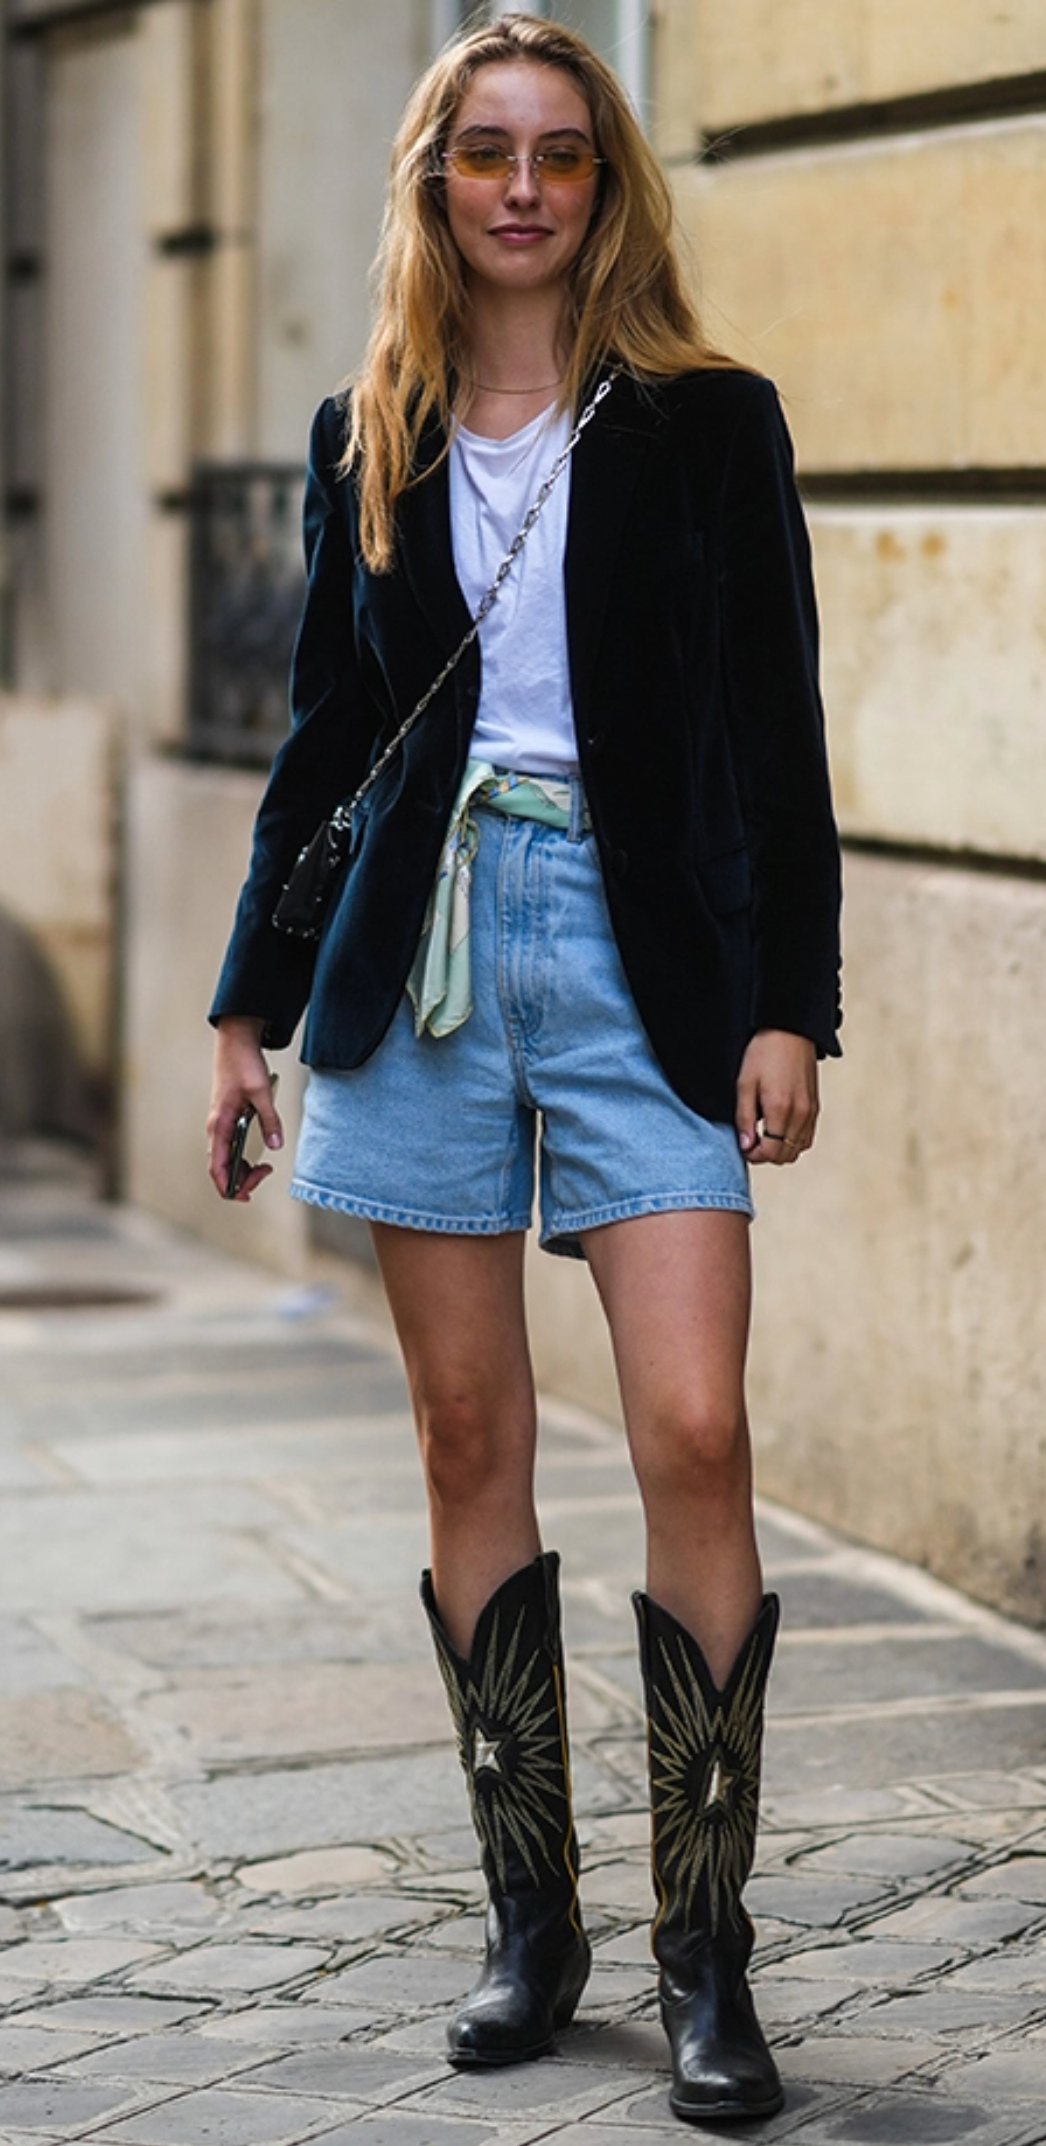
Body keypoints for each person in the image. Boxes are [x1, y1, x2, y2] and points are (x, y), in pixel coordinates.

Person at [207, 12, 841, 2123]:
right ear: (431, 179)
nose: (521, 187)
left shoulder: (707, 422)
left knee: (690, 1423)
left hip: (642, 964)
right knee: (466, 1430)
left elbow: (775, 733)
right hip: (425, 966)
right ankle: (530, 1918)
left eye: (561, 154)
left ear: (604, 186)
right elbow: (327, 736)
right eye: (485, 150)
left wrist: (785, 1001)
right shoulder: (365, 426)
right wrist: (246, 1005)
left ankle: (704, 1945)